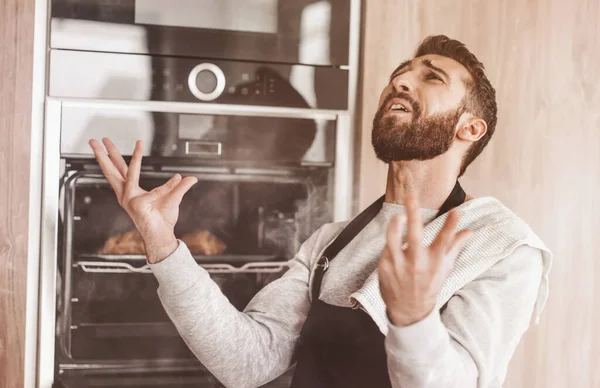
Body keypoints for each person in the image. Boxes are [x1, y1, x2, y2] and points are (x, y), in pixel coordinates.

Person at [89, 35, 552, 388]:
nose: (401, 80)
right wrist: (162, 243)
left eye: (432, 77)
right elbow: (245, 361)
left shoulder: (501, 247)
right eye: (402, 72)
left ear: (470, 128)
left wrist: (414, 319)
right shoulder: (333, 242)